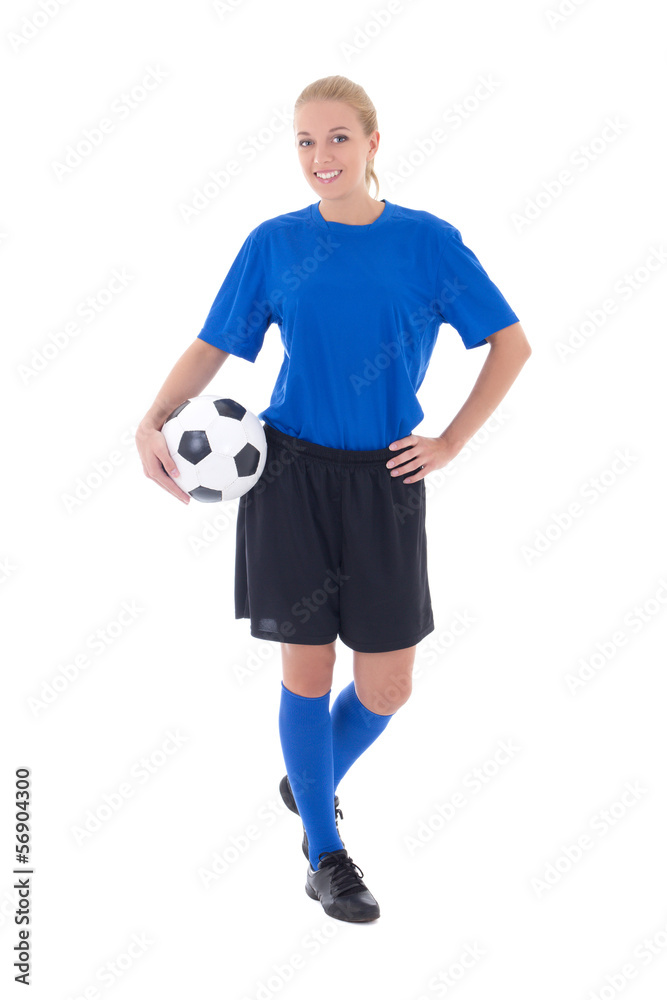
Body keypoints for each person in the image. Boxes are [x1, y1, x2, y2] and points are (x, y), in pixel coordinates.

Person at [135, 74, 532, 924]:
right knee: (306, 670)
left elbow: (509, 343)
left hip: (385, 482)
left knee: (387, 688)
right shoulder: (274, 244)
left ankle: (309, 774)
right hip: (288, 480)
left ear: (373, 143)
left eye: (338, 139)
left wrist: (450, 441)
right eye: (307, 143)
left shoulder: (427, 243)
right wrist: (153, 420)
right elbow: (215, 345)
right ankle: (325, 851)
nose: (321, 157)